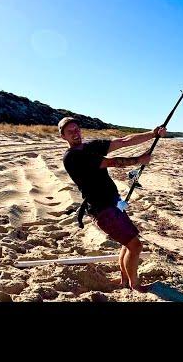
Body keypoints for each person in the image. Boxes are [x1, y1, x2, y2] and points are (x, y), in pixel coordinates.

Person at [58, 116, 167, 291]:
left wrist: (154, 134)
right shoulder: (72, 157)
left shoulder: (90, 147)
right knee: (135, 246)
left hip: (113, 202)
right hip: (101, 209)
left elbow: (123, 141)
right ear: (63, 136)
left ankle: (125, 282)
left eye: (76, 129)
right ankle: (135, 285)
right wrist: (139, 160)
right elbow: (111, 162)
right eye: (69, 131)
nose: (75, 133)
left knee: (128, 243)